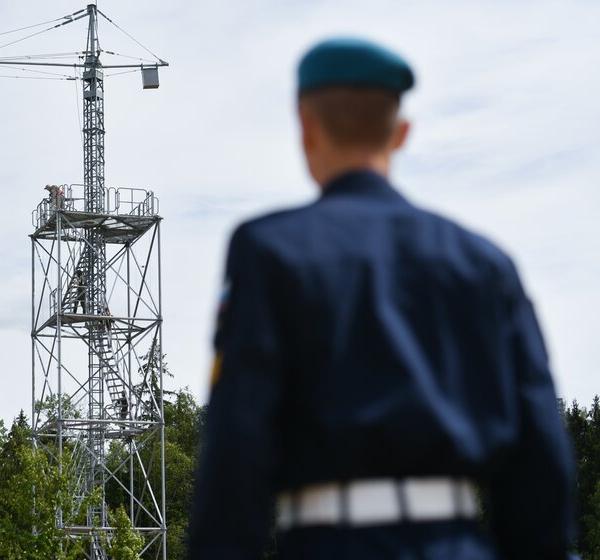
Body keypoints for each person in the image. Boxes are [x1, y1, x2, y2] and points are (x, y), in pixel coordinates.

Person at [188, 38, 576, 560]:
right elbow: (539, 450)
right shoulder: (484, 263)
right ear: (401, 132)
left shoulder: (269, 251)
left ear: (306, 126)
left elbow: (239, 440)